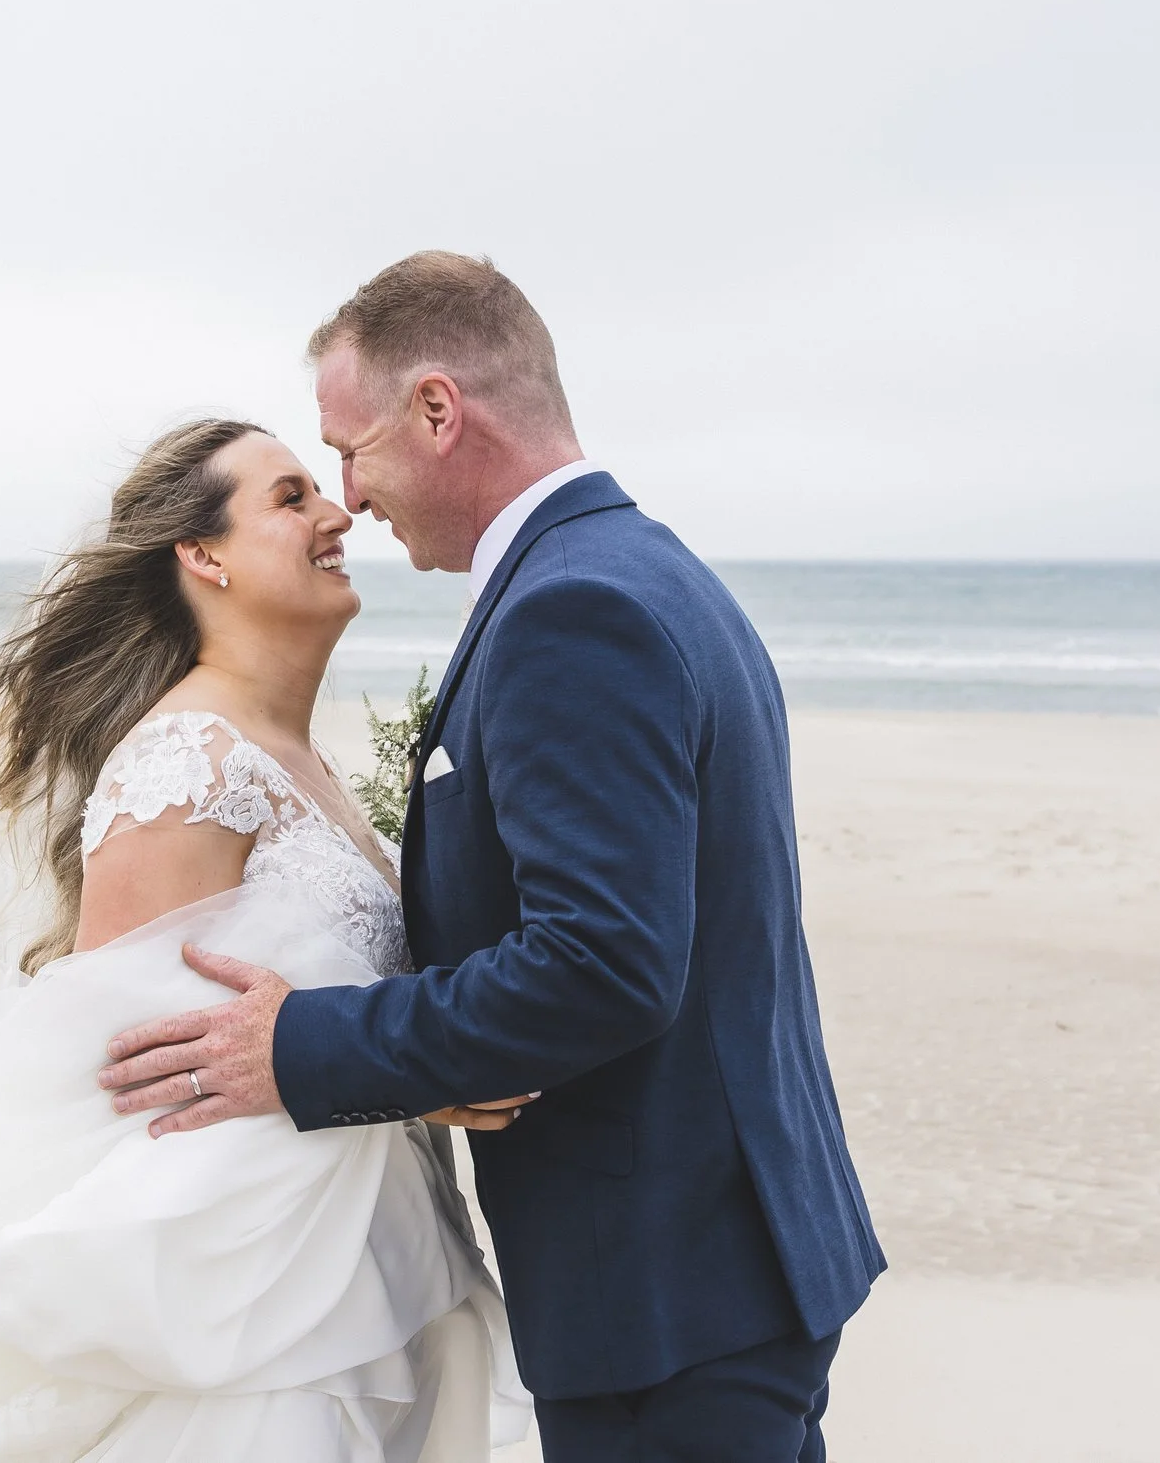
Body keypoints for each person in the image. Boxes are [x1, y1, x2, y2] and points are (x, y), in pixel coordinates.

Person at [100, 254, 886, 1462]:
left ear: (436, 410)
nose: (350, 499)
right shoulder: (639, 567)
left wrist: (309, 1046)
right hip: (716, 1263)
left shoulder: (574, 610)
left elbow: (604, 961)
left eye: (348, 450)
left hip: (665, 1283)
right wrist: (432, 1056)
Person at [0, 417, 530, 1461]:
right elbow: (118, 1076)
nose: (335, 512)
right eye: (290, 495)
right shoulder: (189, 757)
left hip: (371, 1254)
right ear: (201, 553)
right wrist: (398, 1079)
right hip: (251, 1303)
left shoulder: (294, 757)